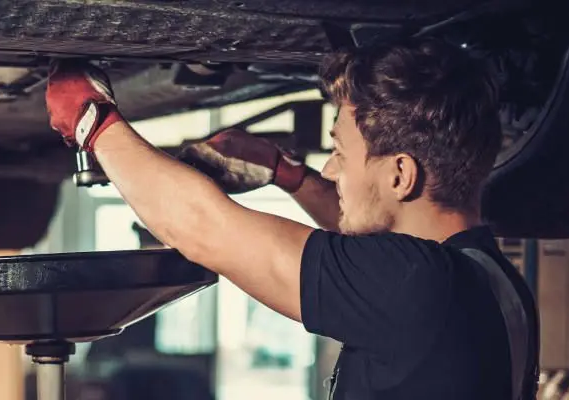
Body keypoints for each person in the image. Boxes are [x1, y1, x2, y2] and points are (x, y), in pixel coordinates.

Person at [44, 38, 539, 400]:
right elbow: (364, 236)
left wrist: (93, 122)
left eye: (341, 153)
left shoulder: (415, 286)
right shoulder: (492, 279)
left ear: (401, 175)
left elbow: (202, 228)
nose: (331, 168)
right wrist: (288, 175)